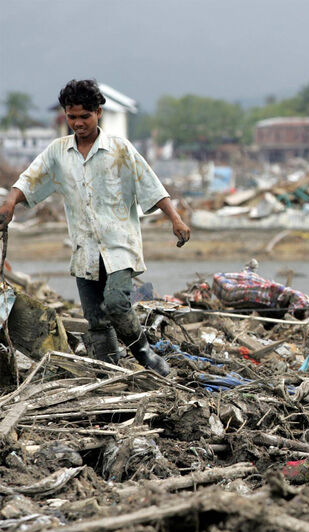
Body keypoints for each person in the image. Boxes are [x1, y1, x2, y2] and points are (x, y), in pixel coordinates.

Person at [0, 79, 190, 376]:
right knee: (96, 319)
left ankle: (146, 356)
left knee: (115, 303)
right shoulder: (58, 152)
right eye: (71, 117)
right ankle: (110, 373)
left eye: (84, 117)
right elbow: (30, 179)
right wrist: (10, 202)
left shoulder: (119, 149)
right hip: (84, 248)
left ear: (98, 113)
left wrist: (175, 219)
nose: (77, 123)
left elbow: (151, 184)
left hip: (119, 246)